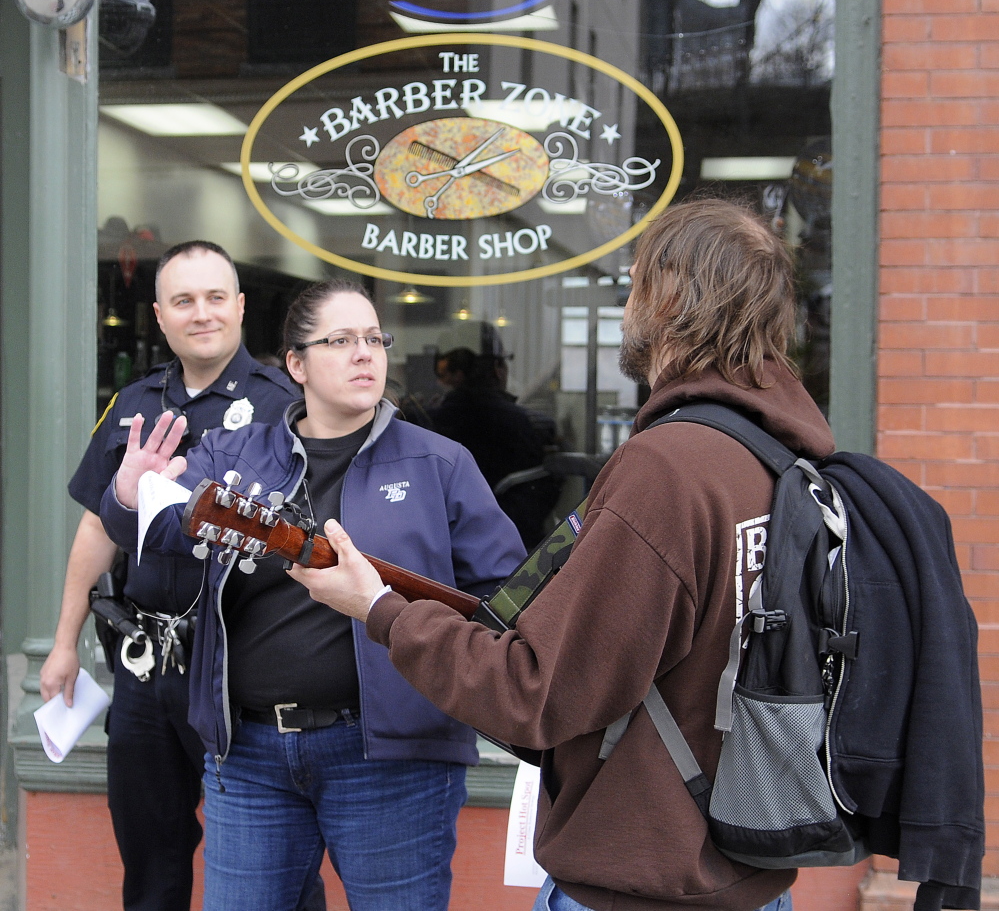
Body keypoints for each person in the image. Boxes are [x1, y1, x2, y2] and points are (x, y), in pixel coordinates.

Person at [289, 199, 839, 911]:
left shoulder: (667, 470)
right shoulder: (780, 457)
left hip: (641, 882)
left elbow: (533, 691)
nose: (627, 299)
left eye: (636, 278)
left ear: (667, 297)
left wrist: (380, 610)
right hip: (742, 873)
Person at [99, 278, 526, 911]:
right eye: (342, 340)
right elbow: (160, 532)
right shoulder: (233, 451)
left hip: (394, 760)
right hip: (247, 757)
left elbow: (504, 605)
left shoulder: (441, 463)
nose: (365, 354)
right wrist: (129, 497)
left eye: (375, 339)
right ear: (296, 364)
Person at [39, 241, 301, 911]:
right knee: (150, 864)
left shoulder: (284, 407)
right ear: (159, 316)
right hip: (144, 666)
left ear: (241, 307)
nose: (201, 313)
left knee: (273, 871)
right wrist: (65, 642)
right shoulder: (133, 402)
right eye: (183, 300)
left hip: (236, 670)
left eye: (216, 297)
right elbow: (97, 525)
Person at [431, 332, 560, 548]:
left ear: (459, 376)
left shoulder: (432, 422)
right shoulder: (521, 423)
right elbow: (539, 494)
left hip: (445, 541)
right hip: (513, 544)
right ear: (497, 369)